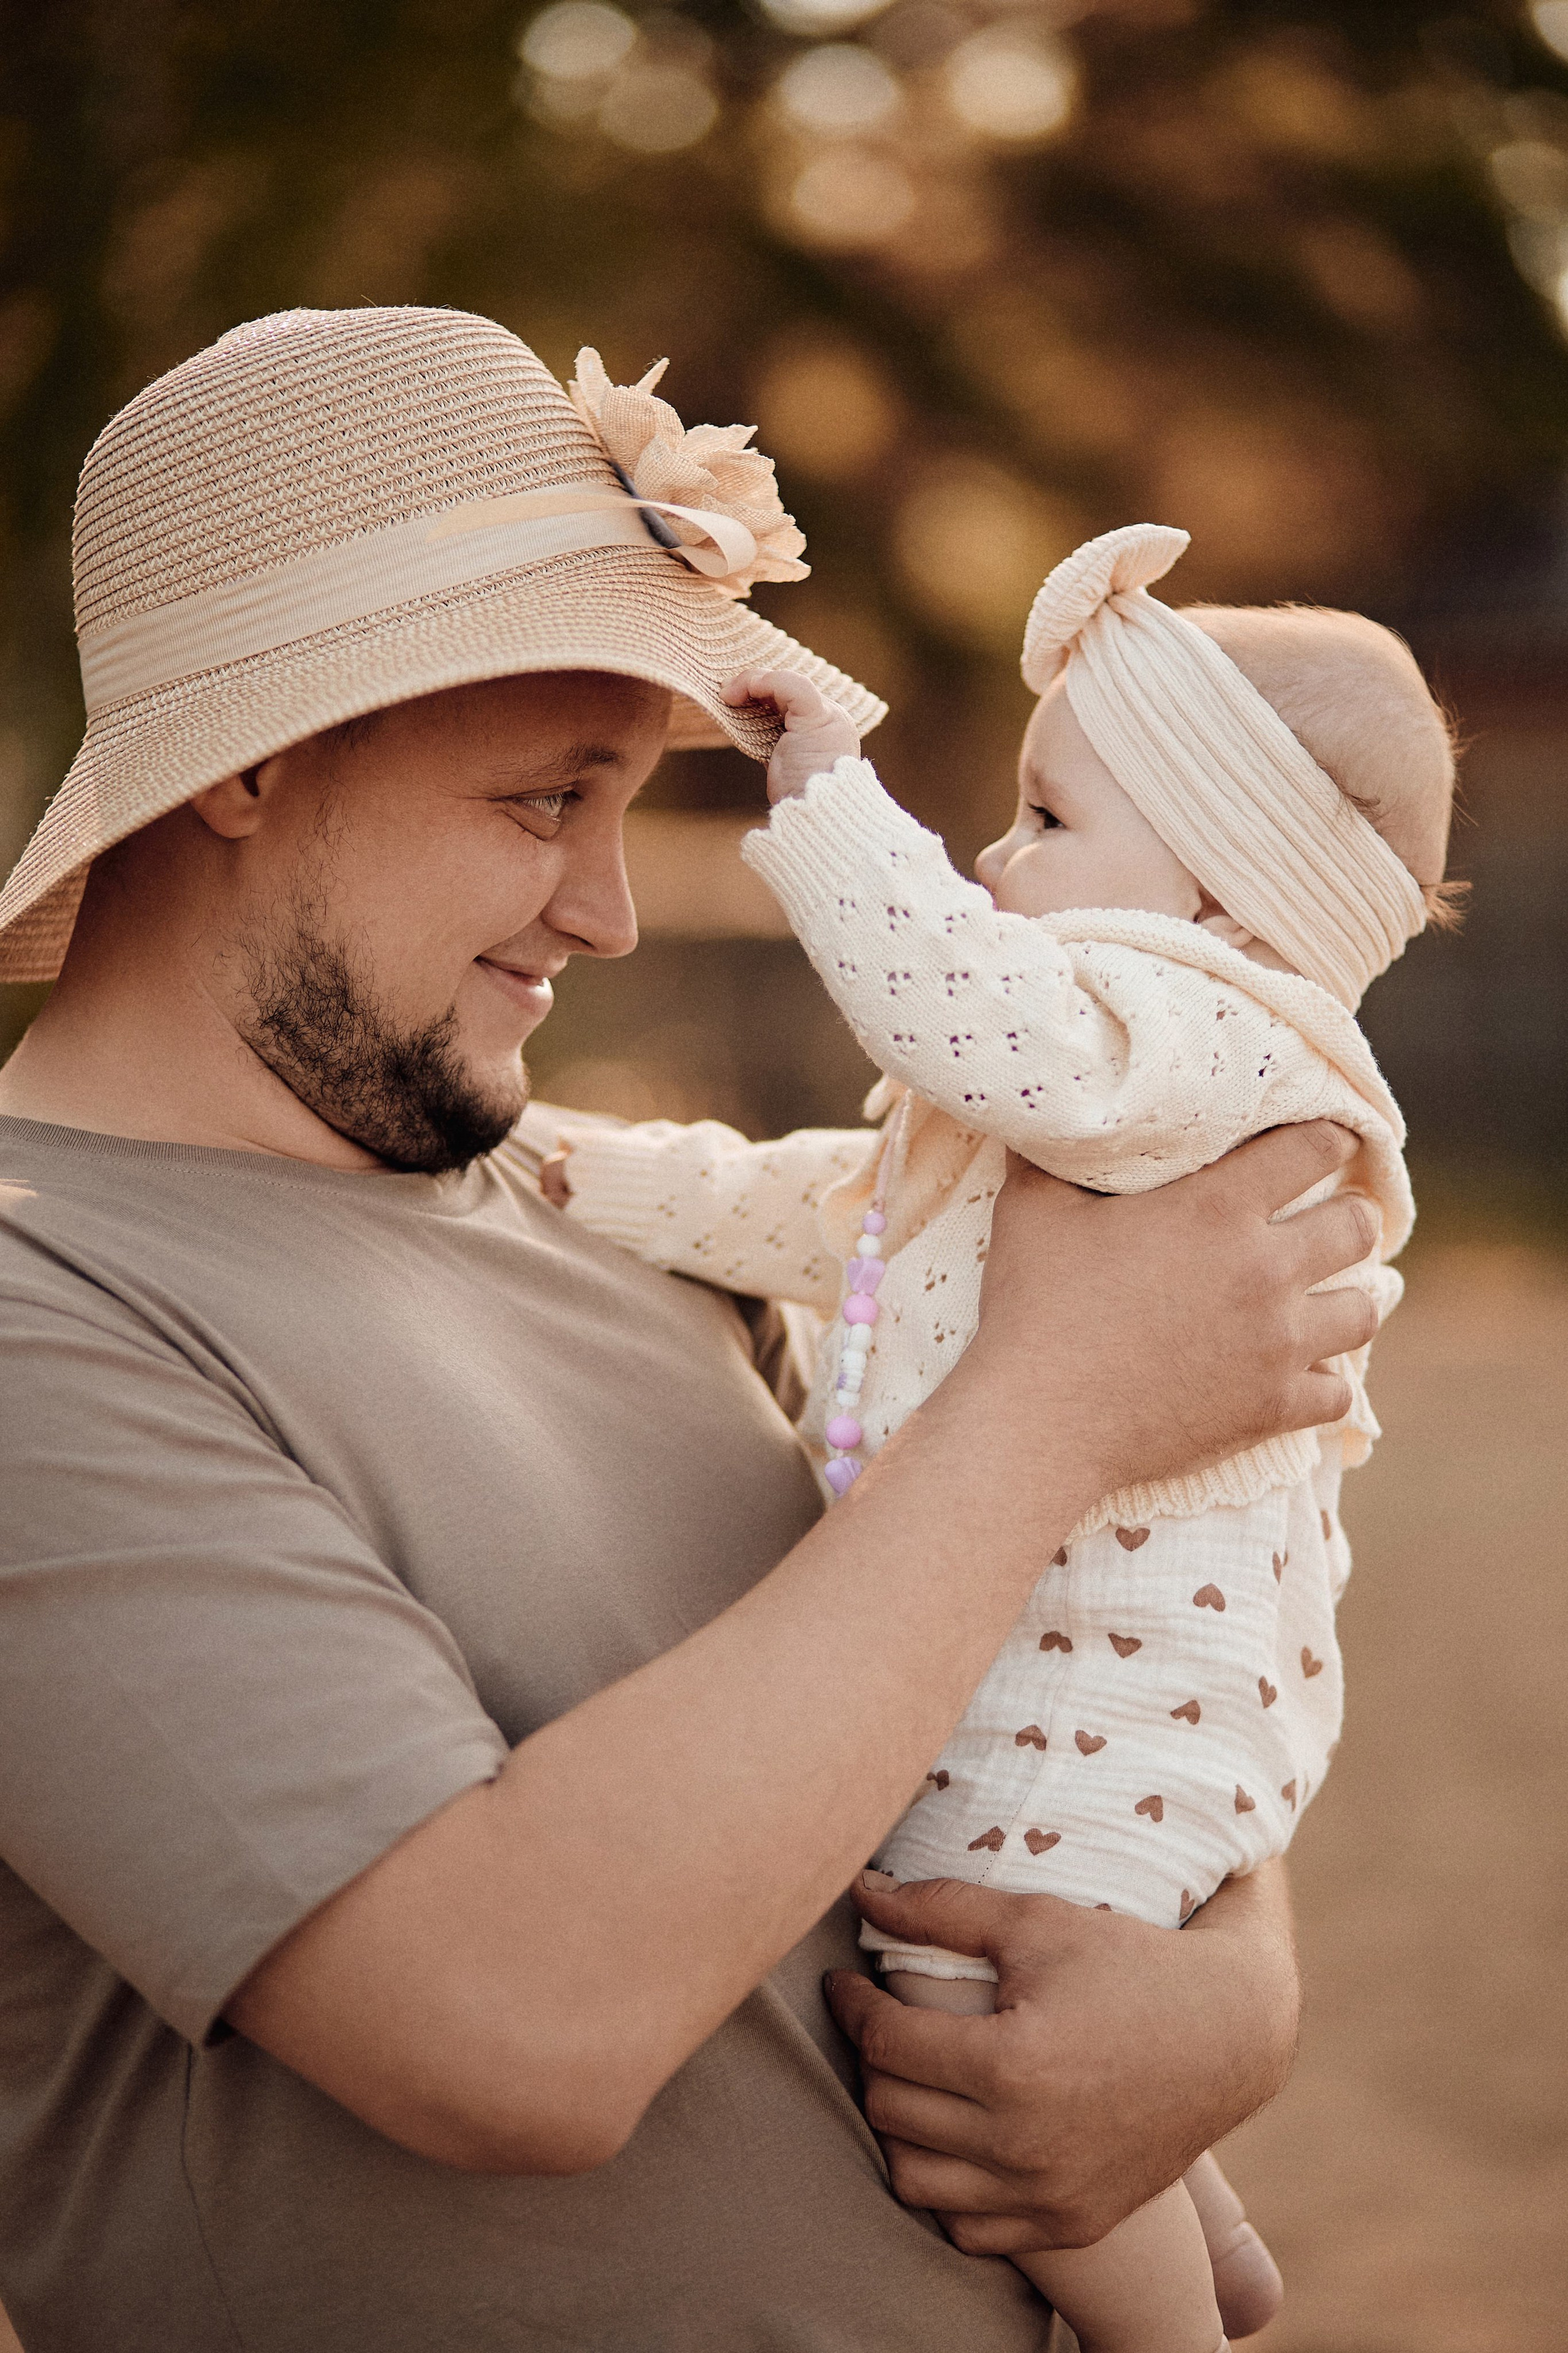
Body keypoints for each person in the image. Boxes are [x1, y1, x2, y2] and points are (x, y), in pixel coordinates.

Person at [0, 309, 1378, 2353]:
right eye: (546, 797)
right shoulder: (47, 1307)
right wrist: (1059, 1400)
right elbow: (504, 2030)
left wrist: (1230, 1990)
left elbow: (991, 1697)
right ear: (250, 763)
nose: (607, 911)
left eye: (629, 804)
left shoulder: (624, 1225)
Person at [539, 524, 1460, 2349]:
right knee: (1073, 1963)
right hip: (1108, 1671)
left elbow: (962, 1012)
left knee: (972, 1987)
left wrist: (824, 788)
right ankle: (1210, 2235)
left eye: (1048, 820)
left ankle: (1164, 2333)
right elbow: (849, 1214)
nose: (988, 861)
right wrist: (589, 1170)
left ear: (1225, 894)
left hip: (1120, 1679)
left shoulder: (1204, 1041)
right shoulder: (1119, 1079)